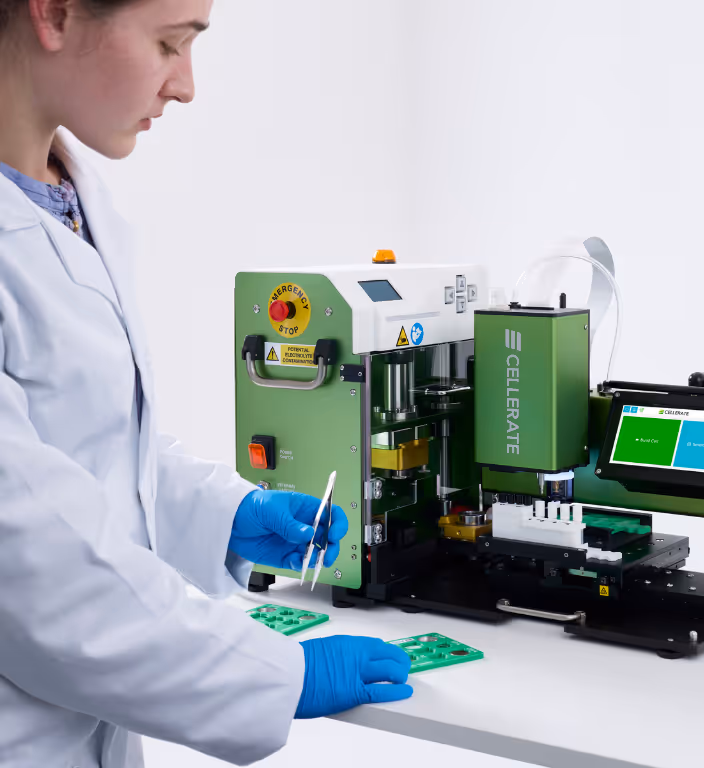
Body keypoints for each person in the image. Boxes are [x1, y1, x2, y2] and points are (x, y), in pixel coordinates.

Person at [0, 0, 413, 765]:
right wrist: (271, 675)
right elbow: (27, 565)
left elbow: (87, 447)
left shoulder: (72, 203)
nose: (186, 86)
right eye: (169, 44)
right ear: (54, 14)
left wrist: (223, 514)